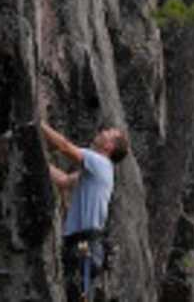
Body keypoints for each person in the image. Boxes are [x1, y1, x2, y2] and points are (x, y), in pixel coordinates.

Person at [41, 121, 129, 301]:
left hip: (85, 245)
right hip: (81, 245)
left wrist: (39, 124)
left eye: (108, 133)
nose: (102, 131)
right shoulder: (95, 172)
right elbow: (64, 181)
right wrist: (35, 157)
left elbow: (64, 146)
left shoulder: (100, 162)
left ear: (109, 146)